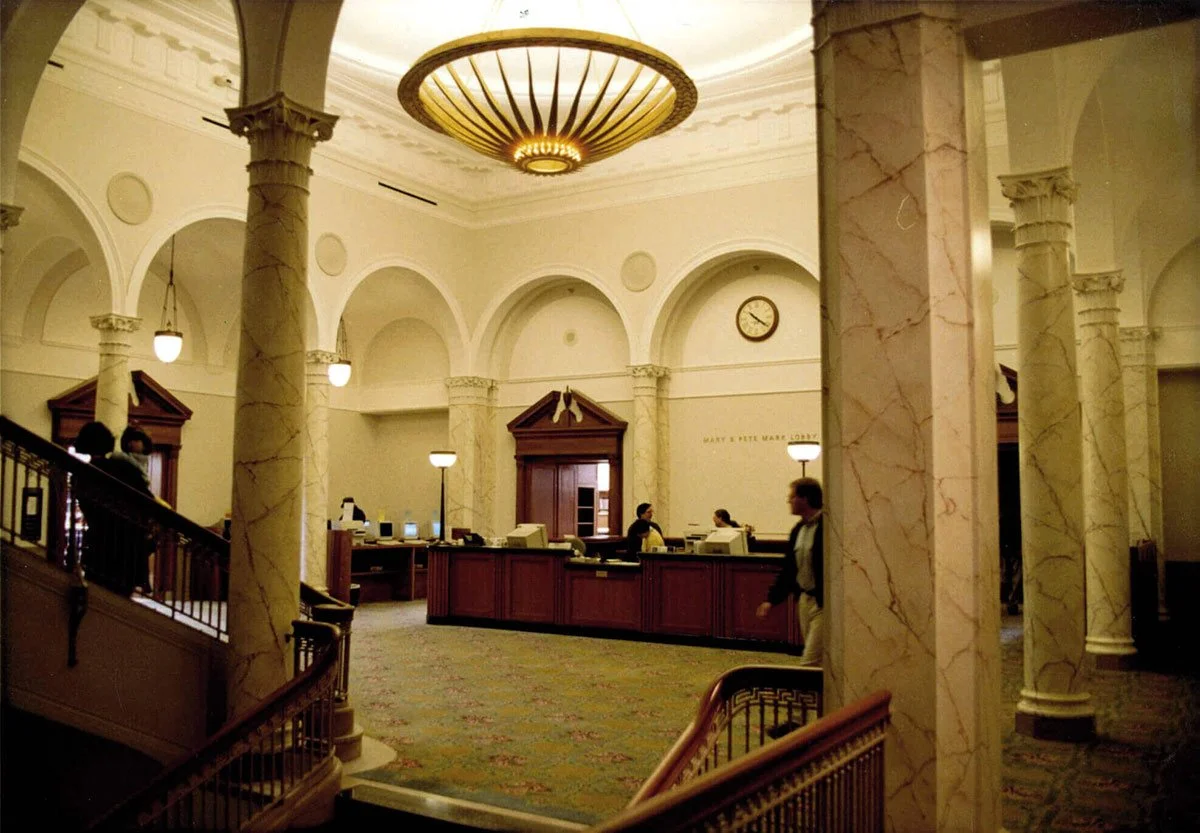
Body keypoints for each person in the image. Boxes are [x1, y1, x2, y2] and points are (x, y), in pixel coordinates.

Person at [74, 421, 155, 594]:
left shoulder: (84, 473)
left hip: (102, 544)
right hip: (127, 546)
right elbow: (146, 499)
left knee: (99, 595)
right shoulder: (122, 467)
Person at [756, 477, 824, 667]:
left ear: (805, 498)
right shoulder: (798, 530)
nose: (789, 500)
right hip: (804, 601)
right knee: (819, 659)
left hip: (823, 604)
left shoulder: (827, 527)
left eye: (792, 496)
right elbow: (789, 569)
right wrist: (771, 600)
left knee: (810, 662)